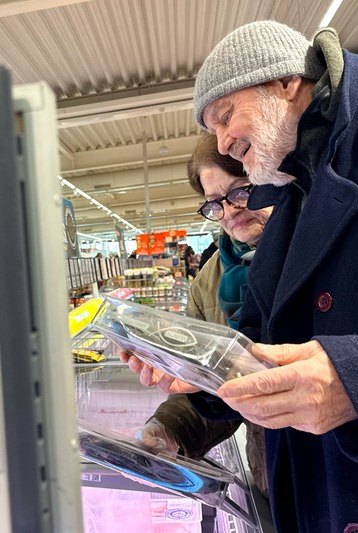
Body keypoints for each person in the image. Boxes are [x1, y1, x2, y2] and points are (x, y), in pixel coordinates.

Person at [124, 20, 358, 533]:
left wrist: (357, 380)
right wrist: (195, 369)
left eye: (226, 116)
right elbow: (256, 345)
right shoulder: (292, 202)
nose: (223, 144)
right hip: (321, 505)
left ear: (286, 83)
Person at [138, 131, 273, 498]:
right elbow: (211, 386)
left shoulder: (314, 252)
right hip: (271, 474)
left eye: (240, 191)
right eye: (215, 203)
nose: (230, 212)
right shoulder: (209, 282)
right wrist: (169, 430)